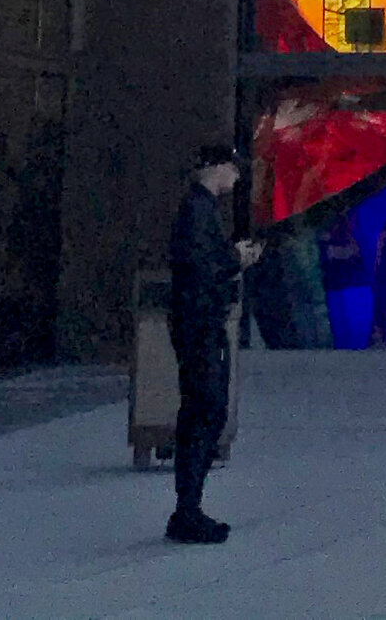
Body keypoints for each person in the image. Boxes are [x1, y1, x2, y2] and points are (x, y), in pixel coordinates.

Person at [166, 143, 263, 543]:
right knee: (206, 409)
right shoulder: (197, 210)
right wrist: (234, 260)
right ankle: (188, 508)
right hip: (200, 323)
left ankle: (189, 506)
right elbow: (200, 266)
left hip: (199, 321)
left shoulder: (198, 209)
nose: (237, 178)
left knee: (204, 410)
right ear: (217, 169)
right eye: (233, 169)